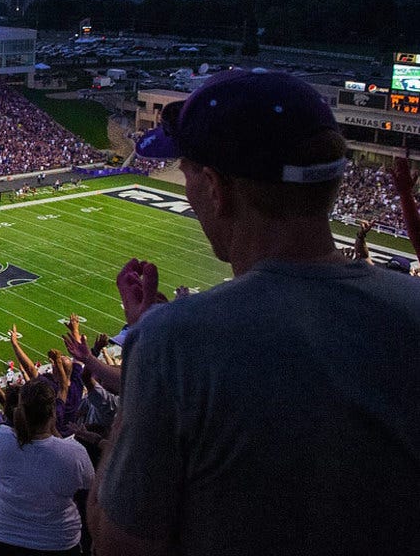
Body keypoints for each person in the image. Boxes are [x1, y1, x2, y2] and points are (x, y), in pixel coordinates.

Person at [92, 69, 420, 556]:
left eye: (186, 173)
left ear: (217, 188)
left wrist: (144, 351)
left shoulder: (177, 344)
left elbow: (117, 542)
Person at [0, 379, 91, 556]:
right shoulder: (74, 453)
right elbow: (88, 488)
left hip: (4, 535)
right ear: (52, 413)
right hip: (56, 540)